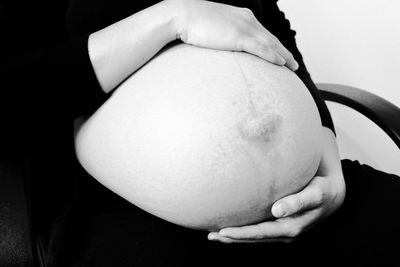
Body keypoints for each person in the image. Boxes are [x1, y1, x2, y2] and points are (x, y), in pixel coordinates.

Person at [0, 0, 398, 266]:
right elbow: (15, 90)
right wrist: (173, 18)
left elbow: (279, 41)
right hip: (135, 209)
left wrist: (327, 157)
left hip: (307, 195)